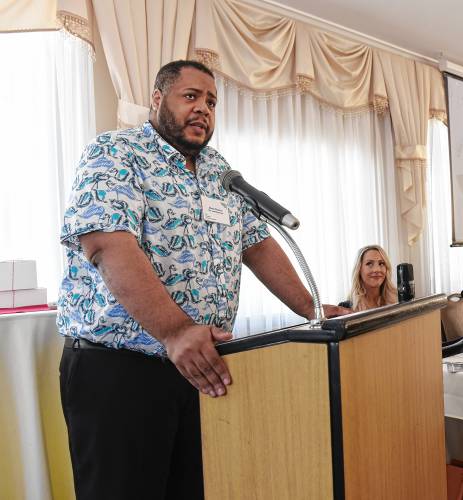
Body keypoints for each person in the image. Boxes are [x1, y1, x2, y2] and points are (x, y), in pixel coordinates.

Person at [56, 60, 347, 500]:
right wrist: (174, 331)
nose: (203, 109)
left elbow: (257, 245)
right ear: (157, 99)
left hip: (200, 369)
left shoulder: (220, 172)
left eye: (211, 101)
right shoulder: (115, 152)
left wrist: (312, 309)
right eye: (190, 96)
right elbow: (107, 244)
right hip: (120, 372)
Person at [339, 244, 398, 312]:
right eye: (369, 263)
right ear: (359, 269)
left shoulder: (398, 300)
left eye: (381, 263)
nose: (377, 269)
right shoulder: (345, 308)